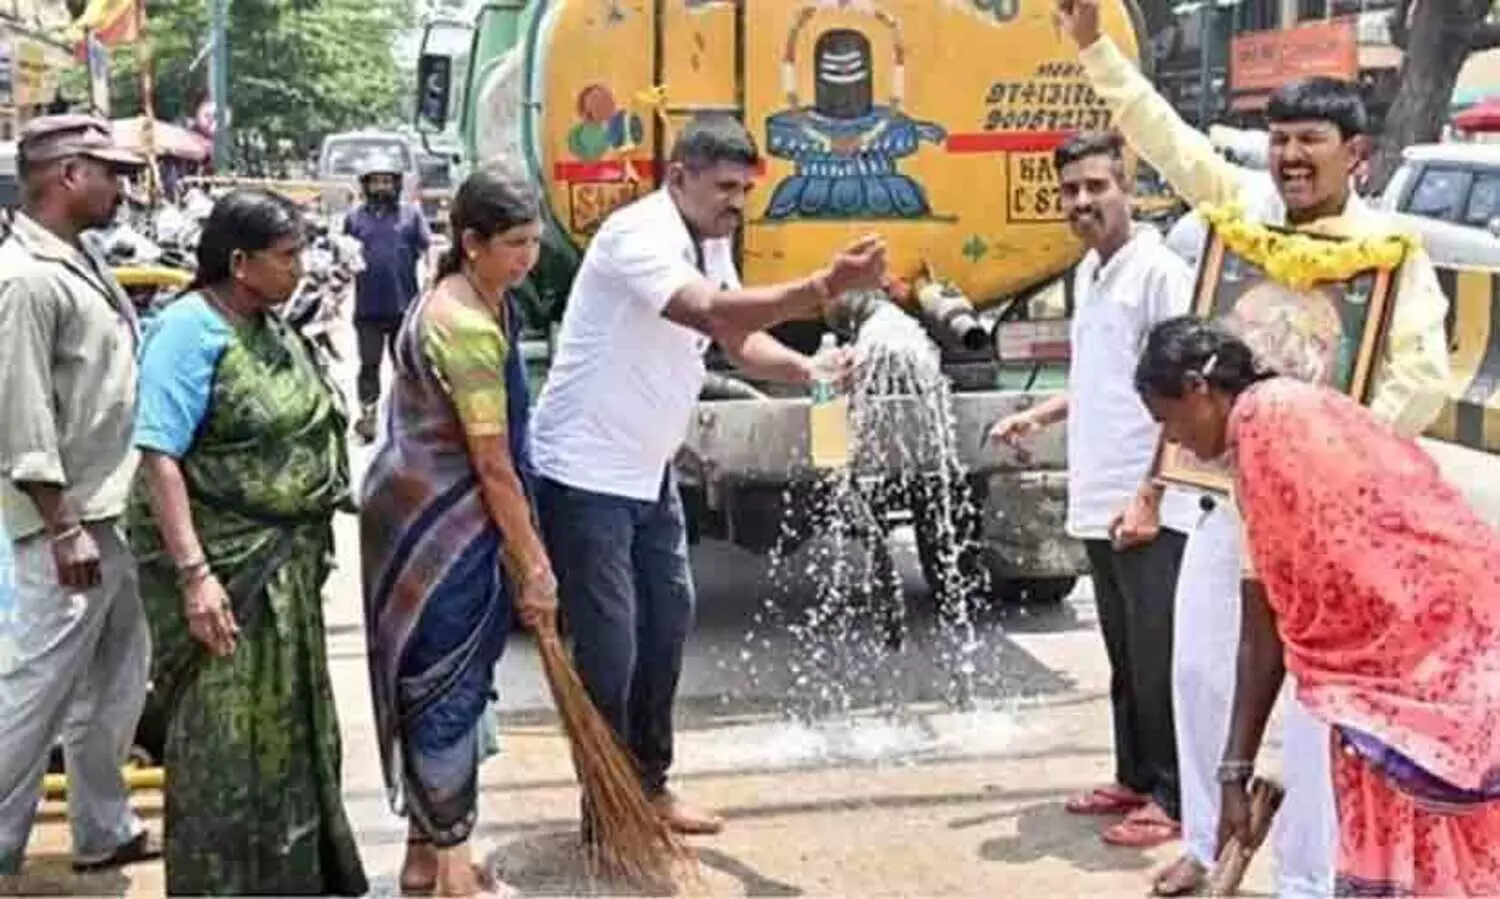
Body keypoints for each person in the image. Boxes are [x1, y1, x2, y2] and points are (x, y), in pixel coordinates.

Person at [1055, 0, 1452, 892]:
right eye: (1279, 140)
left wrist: (1332, 459)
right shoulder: (1246, 217)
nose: (1291, 156)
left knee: (1318, 705)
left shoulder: (1391, 255)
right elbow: (1167, 141)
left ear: (1358, 154)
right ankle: (1205, 840)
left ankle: (1305, 877)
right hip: (1226, 500)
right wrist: (1094, 51)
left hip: (1330, 522)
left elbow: (1418, 381)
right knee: (1195, 671)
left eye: (1311, 139)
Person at [529, 113, 885, 836]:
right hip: (586, 469)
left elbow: (735, 335)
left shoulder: (710, 240)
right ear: (680, 175)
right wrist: (821, 286)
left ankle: (649, 787)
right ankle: (608, 805)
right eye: (724, 187)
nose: (736, 203)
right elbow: (705, 310)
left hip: (648, 465)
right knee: (611, 643)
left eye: (745, 189)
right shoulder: (640, 234)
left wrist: (803, 367)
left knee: (669, 622)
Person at [1134, 316, 1500, 897]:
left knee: (1423, 837)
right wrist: (1236, 770)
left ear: (1198, 390)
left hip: (1412, 664)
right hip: (1436, 646)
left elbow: (1268, 626)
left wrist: (1234, 772)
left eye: (1167, 421)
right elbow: (1277, 609)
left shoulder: (1271, 432)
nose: (1173, 441)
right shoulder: (1275, 421)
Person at [128, 189, 367, 895]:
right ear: (240, 262)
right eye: (287, 256)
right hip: (226, 584)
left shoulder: (270, 324)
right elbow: (158, 455)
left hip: (286, 580)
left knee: (290, 742)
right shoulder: (186, 331)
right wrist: (197, 574)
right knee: (225, 751)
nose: (302, 268)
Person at [987, 131, 1197, 851]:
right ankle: (1134, 776)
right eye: (1071, 190)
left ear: (1126, 185)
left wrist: (1151, 493)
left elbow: (1187, 397)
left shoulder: (1160, 273)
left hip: (1151, 501)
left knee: (1159, 649)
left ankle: (1174, 797)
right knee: (1123, 650)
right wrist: (1040, 412)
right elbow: (1103, 377)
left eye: (1096, 187)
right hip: (1099, 492)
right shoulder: (1090, 272)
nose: (1082, 201)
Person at [360, 162, 554, 897]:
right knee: (445, 692)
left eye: (534, 242)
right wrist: (533, 561)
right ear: (471, 242)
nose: (528, 259)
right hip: (440, 529)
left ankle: (426, 857)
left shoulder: (471, 297)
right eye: (514, 244)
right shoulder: (466, 325)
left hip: (413, 513)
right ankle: (454, 879)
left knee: (431, 685)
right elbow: (494, 463)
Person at [0, 114, 158, 876]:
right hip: (66, 522)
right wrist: (61, 527)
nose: (122, 188)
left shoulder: (77, 259)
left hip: (109, 510)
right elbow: (22, 416)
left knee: (118, 680)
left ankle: (103, 825)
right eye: (110, 173)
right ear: (68, 175)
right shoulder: (25, 279)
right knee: (34, 696)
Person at [345, 153, 431, 442]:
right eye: (375, 182)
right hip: (367, 308)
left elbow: (428, 249)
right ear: (365, 185)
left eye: (387, 181)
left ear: (397, 184)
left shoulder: (411, 215)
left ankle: (411, 420)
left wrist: (434, 281)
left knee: (406, 367)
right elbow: (343, 256)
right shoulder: (354, 218)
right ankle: (368, 417)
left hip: (403, 306)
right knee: (369, 364)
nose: (381, 187)